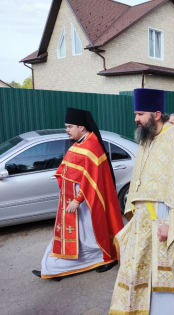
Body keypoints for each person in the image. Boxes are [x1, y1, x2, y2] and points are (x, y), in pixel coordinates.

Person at [109, 89, 174, 315]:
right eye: (135, 114)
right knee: (145, 269)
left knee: (169, 270)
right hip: (145, 217)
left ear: (157, 114)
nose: (135, 119)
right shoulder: (146, 139)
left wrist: (170, 222)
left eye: (140, 114)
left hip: (166, 216)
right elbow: (141, 180)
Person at [32, 108, 123, 280]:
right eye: (66, 126)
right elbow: (67, 167)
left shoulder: (92, 146)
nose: (67, 130)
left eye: (70, 126)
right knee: (76, 236)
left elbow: (92, 179)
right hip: (71, 201)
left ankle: (106, 258)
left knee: (90, 235)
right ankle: (54, 268)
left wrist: (77, 199)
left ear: (82, 127)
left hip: (86, 203)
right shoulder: (79, 143)